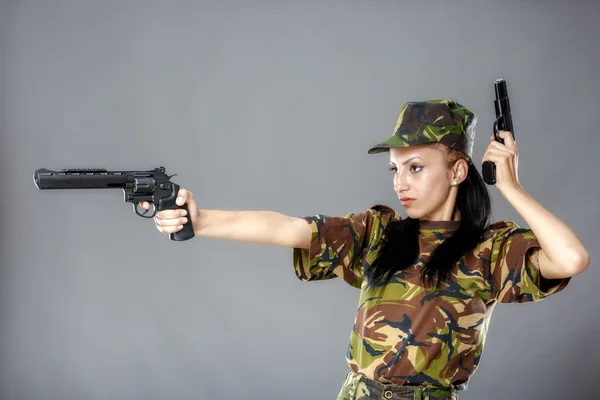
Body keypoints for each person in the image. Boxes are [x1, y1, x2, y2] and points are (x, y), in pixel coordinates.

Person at [140, 99, 589, 400]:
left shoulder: (491, 250)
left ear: (457, 171)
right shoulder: (380, 232)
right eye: (395, 169)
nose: (400, 183)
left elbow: (571, 259)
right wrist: (201, 221)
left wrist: (510, 185)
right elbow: (290, 228)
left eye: (416, 167)